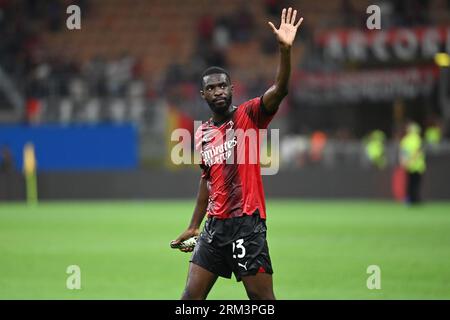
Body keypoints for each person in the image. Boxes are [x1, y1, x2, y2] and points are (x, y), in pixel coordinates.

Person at [171, 7, 303, 300]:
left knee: (262, 301)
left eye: (222, 86)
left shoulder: (249, 116)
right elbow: (207, 181)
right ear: (203, 95)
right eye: (211, 88)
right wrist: (194, 225)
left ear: (231, 89)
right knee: (189, 299)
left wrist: (284, 51)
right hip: (214, 228)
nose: (218, 91)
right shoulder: (202, 133)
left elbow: (279, 90)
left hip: (247, 224)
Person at [399, 122, 426, 204]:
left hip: (408, 165)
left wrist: (404, 162)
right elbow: (418, 152)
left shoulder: (405, 140)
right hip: (417, 166)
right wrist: (412, 160)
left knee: (409, 183)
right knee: (416, 184)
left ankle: (410, 199)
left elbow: (403, 153)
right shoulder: (417, 139)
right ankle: (416, 199)